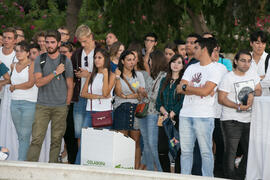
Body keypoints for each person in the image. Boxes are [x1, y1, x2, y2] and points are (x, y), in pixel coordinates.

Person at [176, 38, 224, 177]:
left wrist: (188, 88)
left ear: (203, 49)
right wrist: (195, 88)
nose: (192, 49)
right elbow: (180, 88)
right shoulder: (191, 67)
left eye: (196, 47)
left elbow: (205, 91)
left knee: (206, 152)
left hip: (204, 115)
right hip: (185, 114)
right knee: (185, 152)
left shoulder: (217, 68)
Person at [27, 30, 73, 163]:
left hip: (60, 107)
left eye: (52, 42)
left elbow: (70, 85)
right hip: (42, 106)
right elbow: (39, 83)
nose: (49, 45)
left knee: (56, 141)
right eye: (47, 42)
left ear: (59, 43)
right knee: (36, 139)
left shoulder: (66, 61)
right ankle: (29, 169)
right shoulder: (40, 59)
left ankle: (52, 170)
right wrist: (55, 72)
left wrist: (67, 104)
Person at [218, 49, 262, 179]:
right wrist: (237, 106)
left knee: (250, 152)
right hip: (231, 120)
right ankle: (230, 177)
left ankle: (239, 176)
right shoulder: (228, 77)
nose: (246, 64)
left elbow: (259, 90)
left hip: (249, 120)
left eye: (249, 61)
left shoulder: (252, 74)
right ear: (236, 61)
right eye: (243, 60)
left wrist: (252, 93)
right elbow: (221, 98)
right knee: (230, 153)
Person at [113, 50, 145, 169]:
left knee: (135, 141)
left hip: (136, 109)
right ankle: (121, 168)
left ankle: (135, 169)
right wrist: (116, 77)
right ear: (122, 61)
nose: (132, 62)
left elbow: (141, 94)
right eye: (129, 60)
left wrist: (127, 96)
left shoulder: (139, 75)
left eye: (133, 59)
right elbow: (118, 92)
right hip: (121, 109)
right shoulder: (118, 75)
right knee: (122, 141)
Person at [138, 50, 167, 171]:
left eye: (150, 59)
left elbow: (157, 97)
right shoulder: (153, 76)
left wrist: (145, 93)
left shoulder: (164, 76)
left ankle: (160, 172)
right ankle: (150, 171)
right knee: (147, 145)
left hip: (154, 114)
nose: (148, 62)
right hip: (146, 113)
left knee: (152, 144)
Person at [156, 54, 184, 172]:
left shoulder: (183, 82)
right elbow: (158, 101)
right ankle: (166, 174)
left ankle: (177, 175)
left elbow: (182, 102)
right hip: (164, 119)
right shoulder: (164, 80)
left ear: (183, 66)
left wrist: (172, 114)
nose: (176, 65)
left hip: (177, 120)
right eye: (174, 62)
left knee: (176, 148)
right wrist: (166, 114)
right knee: (162, 149)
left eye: (179, 62)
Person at [71, 24, 95, 164]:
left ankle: (90, 161)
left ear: (91, 36)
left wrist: (89, 74)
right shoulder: (77, 54)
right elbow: (73, 76)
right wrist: (79, 75)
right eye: (80, 42)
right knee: (79, 132)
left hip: (96, 98)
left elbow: (106, 75)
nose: (83, 44)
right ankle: (81, 163)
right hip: (80, 97)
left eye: (85, 41)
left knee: (93, 133)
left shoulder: (100, 52)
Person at [9, 41, 37, 161]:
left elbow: (30, 83)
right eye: (17, 50)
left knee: (24, 135)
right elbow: (10, 81)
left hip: (29, 103)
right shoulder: (13, 65)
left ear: (27, 53)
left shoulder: (32, 65)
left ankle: (21, 162)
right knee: (20, 135)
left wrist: (15, 87)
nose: (18, 53)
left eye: (21, 50)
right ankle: (24, 160)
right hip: (14, 103)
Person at [81, 48, 114, 128]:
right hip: (90, 111)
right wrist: (99, 97)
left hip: (105, 112)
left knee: (103, 139)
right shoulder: (91, 75)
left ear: (105, 59)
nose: (96, 60)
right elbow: (83, 93)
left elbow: (105, 93)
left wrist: (105, 75)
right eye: (95, 58)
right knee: (86, 138)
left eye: (99, 58)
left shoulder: (111, 75)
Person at [248, 30, 270, 95]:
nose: (260, 46)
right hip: (248, 100)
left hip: (266, 100)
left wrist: (251, 80)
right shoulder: (245, 59)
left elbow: (268, 82)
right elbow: (241, 79)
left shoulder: (268, 59)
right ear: (251, 43)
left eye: (263, 43)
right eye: (257, 43)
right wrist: (261, 77)